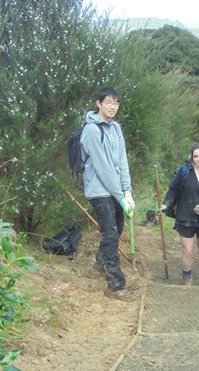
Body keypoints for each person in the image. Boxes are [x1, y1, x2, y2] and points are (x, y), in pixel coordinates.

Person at [80, 87, 139, 302]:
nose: (112, 107)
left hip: (115, 191)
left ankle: (100, 263)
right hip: (99, 191)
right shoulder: (91, 131)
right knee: (110, 234)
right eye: (108, 102)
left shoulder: (116, 128)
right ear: (99, 103)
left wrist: (127, 191)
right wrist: (120, 195)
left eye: (116, 103)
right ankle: (115, 286)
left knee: (117, 228)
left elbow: (122, 161)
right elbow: (103, 168)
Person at [159, 141, 199, 286]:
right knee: (187, 250)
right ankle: (186, 278)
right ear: (191, 157)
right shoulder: (184, 172)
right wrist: (166, 203)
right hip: (184, 216)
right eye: (195, 156)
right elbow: (173, 189)